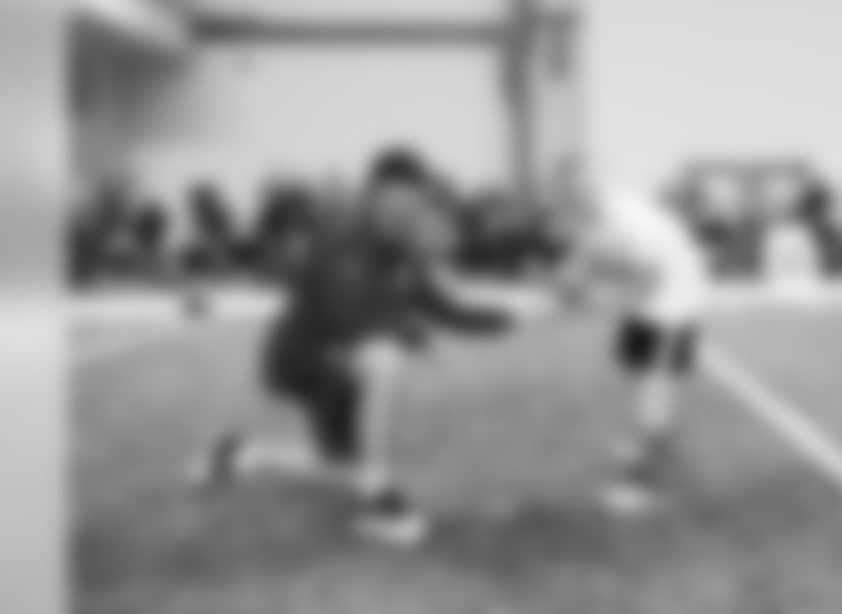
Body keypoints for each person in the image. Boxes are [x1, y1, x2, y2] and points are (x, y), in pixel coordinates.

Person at [190, 151, 515, 546]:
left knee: (337, 464)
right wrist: (409, 332)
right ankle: (379, 495)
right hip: (301, 361)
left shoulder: (403, 252)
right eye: (398, 204)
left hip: (341, 366)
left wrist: (504, 318)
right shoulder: (340, 243)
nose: (407, 215)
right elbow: (349, 318)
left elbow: (445, 310)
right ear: (374, 197)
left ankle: (241, 454)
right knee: (382, 356)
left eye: (414, 206)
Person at [543, 161, 711, 516]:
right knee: (637, 377)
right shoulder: (592, 215)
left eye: (567, 197)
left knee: (654, 389)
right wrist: (566, 281)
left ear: (585, 191)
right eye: (560, 198)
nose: (561, 206)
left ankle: (646, 483)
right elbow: (584, 256)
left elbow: (647, 281)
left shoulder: (632, 224)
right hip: (646, 302)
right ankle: (650, 449)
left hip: (673, 306)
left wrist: (593, 299)